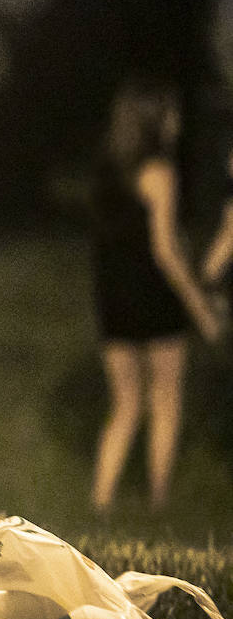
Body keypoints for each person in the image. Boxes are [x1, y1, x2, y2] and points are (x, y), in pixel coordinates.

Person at [88, 78, 223, 516]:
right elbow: (165, 250)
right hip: (154, 298)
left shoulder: (108, 171)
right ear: (154, 120)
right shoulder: (160, 172)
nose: (177, 122)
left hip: (112, 298)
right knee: (166, 400)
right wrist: (201, 308)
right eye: (171, 113)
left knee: (125, 405)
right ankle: (158, 502)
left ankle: (100, 502)